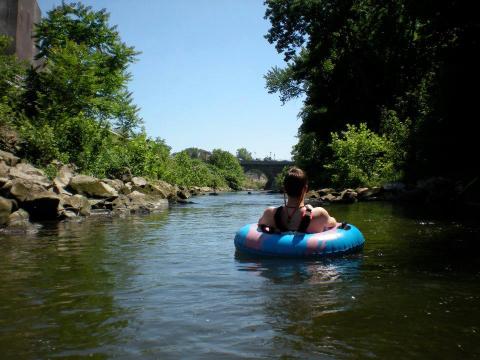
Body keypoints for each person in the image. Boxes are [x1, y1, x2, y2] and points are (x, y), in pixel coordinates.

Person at [258, 167, 337, 233]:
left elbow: (259, 225)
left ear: (284, 189)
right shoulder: (319, 214)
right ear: (305, 189)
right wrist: (310, 209)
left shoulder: (270, 213)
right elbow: (333, 223)